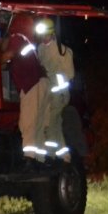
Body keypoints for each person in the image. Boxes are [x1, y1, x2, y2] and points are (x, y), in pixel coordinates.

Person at [0, 13, 48, 160]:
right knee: (37, 126)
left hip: (31, 86)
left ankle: (29, 160)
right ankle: (40, 161)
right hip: (41, 84)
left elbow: (7, 55)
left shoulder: (17, 37)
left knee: (27, 124)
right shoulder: (27, 40)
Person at [35, 17, 75, 160]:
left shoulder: (63, 51)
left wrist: (58, 84)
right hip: (47, 93)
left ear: (52, 33)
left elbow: (70, 74)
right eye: (42, 35)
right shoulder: (40, 48)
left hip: (59, 95)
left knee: (50, 124)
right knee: (56, 125)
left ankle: (51, 156)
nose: (43, 37)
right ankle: (64, 156)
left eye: (46, 34)